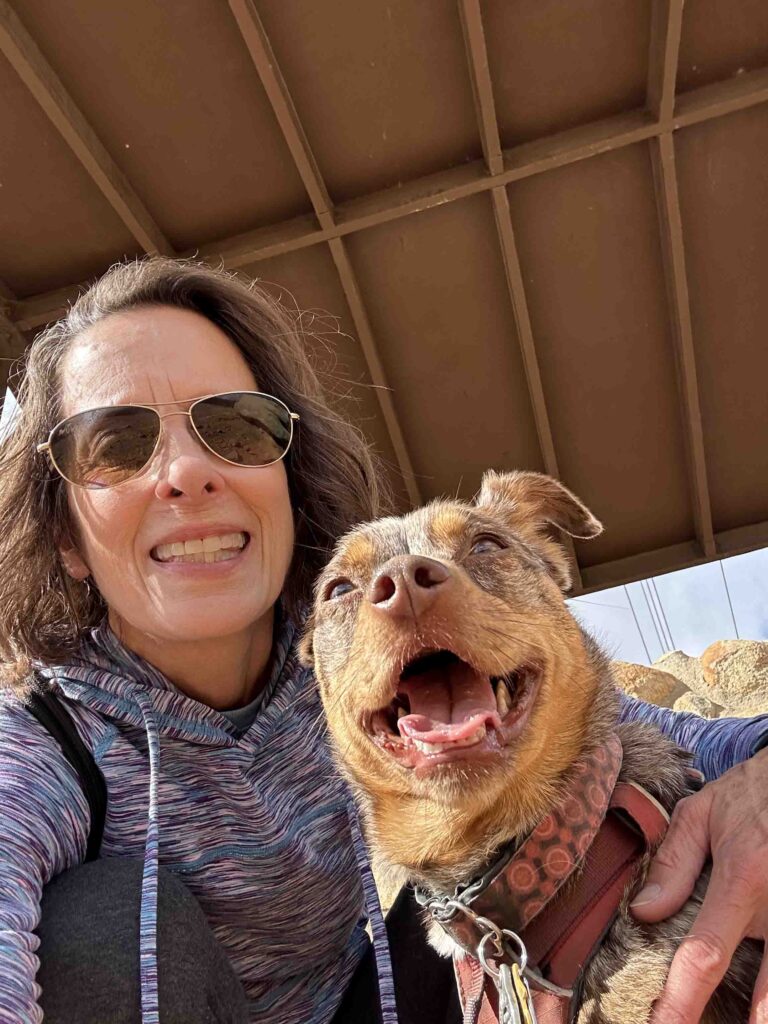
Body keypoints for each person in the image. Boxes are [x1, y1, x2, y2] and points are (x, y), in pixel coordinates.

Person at [0, 257, 767, 1024]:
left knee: (487, 870)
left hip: (399, 1000)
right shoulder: (38, 749)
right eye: (113, 443)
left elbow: (668, 738)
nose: (187, 471)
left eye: (235, 426)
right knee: (100, 925)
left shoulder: (351, 658)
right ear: (64, 534)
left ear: (288, 484)